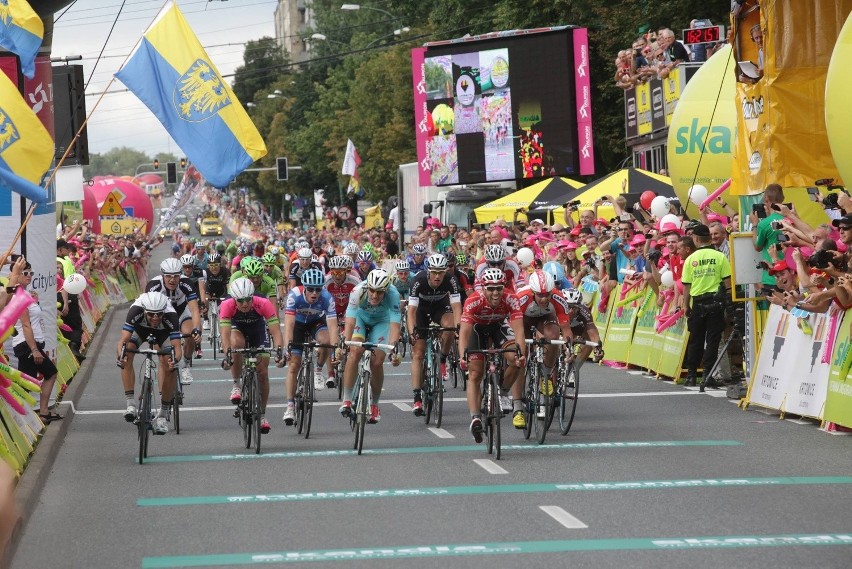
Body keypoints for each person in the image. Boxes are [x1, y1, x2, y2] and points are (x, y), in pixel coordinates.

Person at [458, 268, 526, 443]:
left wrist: (521, 354)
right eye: (491, 289)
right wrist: (462, 357)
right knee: (475, 373)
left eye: (499, 288)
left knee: (515, 359)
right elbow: (464, 333)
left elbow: (519, 330)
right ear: (483, 288)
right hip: (477, 329)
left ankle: (503, 392)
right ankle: (475, 417)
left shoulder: (511, 298)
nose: (495, 293)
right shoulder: (474, 301)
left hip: (498, 327)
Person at [220, 278, 285, 433]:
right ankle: (236, 384)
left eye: (248, 300)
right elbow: (225, 334)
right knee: (236, 345)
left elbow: (275, 331)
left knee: (263, 372)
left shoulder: (263, 303)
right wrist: (227, 355)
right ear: (234, 299)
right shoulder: (227, 305)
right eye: (240, 301)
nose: (244, 304)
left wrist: (279, 351)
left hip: (257, 330)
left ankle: (262, 414)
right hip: (237, 328)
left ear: (252, 297)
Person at [511, 270, 574, 429]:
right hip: (523, 320)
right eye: (540, 295)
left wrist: (568, 346)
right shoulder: (522, 297)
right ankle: (518, 407)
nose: (545, 298)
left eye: (547, 294)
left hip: (545, 319)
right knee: (520, 358)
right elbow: (515, 328)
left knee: (553, 336)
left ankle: (545, 374)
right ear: (533, 292)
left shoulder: (558, 297)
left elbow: (565, 328)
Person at [339, 269, 402, 424]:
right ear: (368, 287)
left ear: (386, 290)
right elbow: (350, 320)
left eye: (379, 293)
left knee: (377, 362)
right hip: (360, 318)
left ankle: (374, 404)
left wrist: (393, 348)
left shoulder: (393, 294)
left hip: (382, 321)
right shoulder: (357, 291)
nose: (374, 295)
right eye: (372, 291)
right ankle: (347, 400)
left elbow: (395, 323)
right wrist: (344, 344)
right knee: (354, 352)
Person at [116, 292, 182, 434]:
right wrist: (120, 356)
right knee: (126, 353)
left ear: (164, 312)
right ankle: (131, 405)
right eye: (151, 314)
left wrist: (175, 361)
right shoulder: (136, 310)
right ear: (145, 311)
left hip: (163, 333)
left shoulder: (171, 316)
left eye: (159, 314)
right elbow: (123, 339)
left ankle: (163, 416)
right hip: (141, 330)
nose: (155, 318)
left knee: (169, 364)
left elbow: (177, 347)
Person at [281, 269, 339, 425]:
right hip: (298, 324)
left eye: (318, 289)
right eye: (311, 289)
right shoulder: (294, 295)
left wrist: (335, 351)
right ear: (304, 287)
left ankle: (318, 370)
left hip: (316, 323)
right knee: (294, 365)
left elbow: (333, 327)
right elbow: (289, 324)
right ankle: (290, 406)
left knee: (325, 340)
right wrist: (288, 346)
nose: (315, 293)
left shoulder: (327, 298)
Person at [407, 254, 462, 416]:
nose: (438, 276)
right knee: (418, 352)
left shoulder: (451, 280)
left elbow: (457, 307)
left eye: (441, 272)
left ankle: (443, 359)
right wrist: (412, 332)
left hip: (440, 306)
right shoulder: (418, 281)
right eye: (434, 272)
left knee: (450, 327)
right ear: (428, 271)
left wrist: (459, 328)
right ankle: (417, 397)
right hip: (421, 310)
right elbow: (411, 311)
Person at [681, 224, 731, 390]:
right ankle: (708, 375)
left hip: (698, 303)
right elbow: (727, 280)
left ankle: (691, 375)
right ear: (709, 238)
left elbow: (686, 287)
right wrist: (729, 300)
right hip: (716, 303)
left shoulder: (690, 259)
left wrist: (685, 305)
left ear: (695, 239)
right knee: (712, 341)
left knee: (695, 340)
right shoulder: (719, 256)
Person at [145, 257, 202, 386]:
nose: (172, 280)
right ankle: (163, 396)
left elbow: (194, 309)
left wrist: (197, 329)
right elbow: (147, 312)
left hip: (181, 312)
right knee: (162, 357)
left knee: (190, 335)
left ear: (180, 275)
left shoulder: (186, 283)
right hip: (161, 317)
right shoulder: (154, 286)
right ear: (162, 275)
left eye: (176, 276)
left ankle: (186, 366)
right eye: (168, 276)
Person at [750, 184, 786, 290]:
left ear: (766, 198)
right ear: (783, 198)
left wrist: (755, 224)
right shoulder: (791, 218)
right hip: (790, 273)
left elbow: (757, 247)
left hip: (772, 276)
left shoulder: (764, 224)